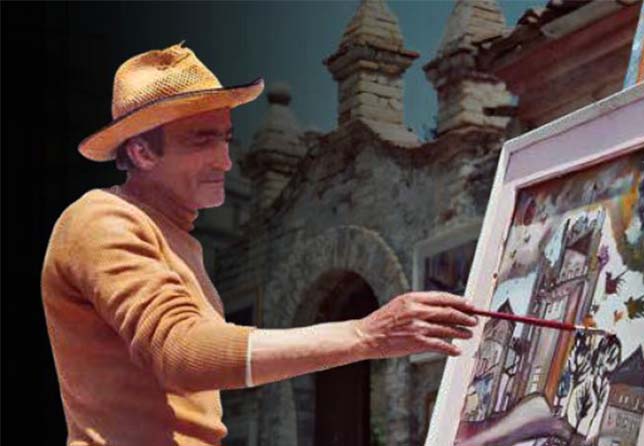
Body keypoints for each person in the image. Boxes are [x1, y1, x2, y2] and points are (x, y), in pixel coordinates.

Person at [41, 42, 479, 446]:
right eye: (202, 140)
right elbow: (181, 351)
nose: (225, 160)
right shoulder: (101, 220)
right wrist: (365, 334)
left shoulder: (178, 239)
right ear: (142, 153)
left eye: (226, 138)